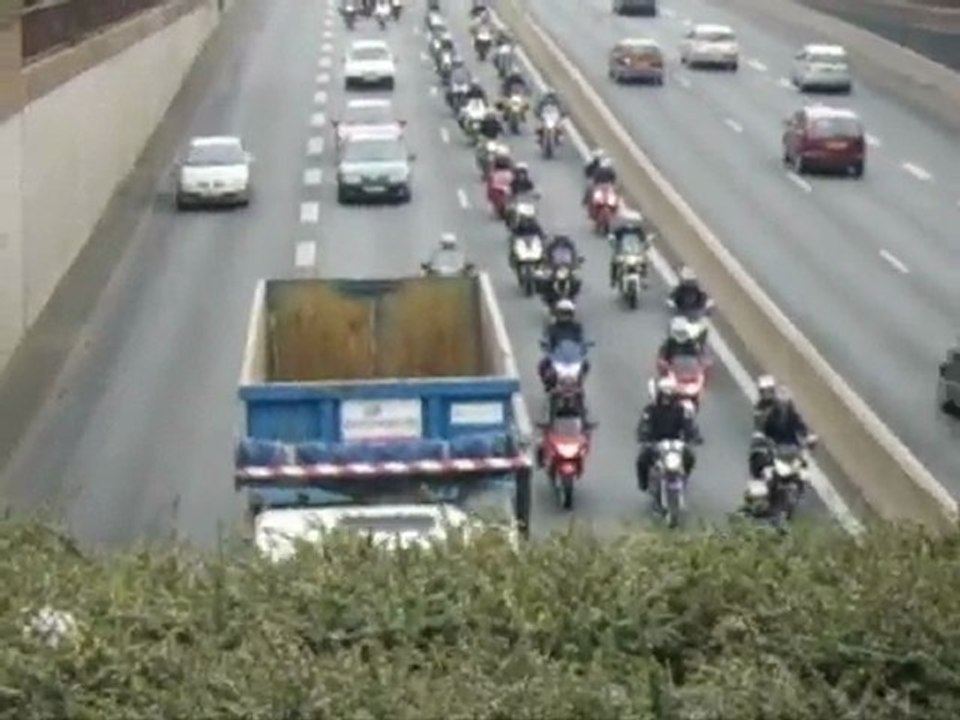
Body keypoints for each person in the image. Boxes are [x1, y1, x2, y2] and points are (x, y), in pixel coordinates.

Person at [635, 376, 699, 491]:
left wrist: (693, 436)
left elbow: (688, 424)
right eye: (665, 395)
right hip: (655, 443)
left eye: (669, 395)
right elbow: (644, 424)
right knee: (642, 460)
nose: (667, 398)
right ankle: (643, 483)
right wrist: (644, 436)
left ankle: (684, 478)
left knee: (690, 458)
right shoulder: (651, 409)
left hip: (675, 444)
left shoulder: (680, 410)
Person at [609, 210, 648, 287]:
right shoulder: (621, 230)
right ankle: (613, 279)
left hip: (635, 252)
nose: (631, 223)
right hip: (622, 252)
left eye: (633, 221)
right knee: (614, 261)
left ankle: (644, 278)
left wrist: (645, 244)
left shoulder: (638, 231)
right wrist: (613, 241)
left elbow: (643, 240)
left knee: (643, 261)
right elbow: (614, 238)